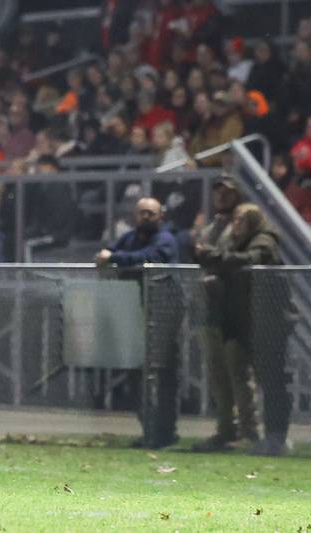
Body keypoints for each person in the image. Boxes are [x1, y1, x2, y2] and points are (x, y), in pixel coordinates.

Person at [196, 203, 295, 456]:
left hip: (265, 321)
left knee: (270, 380)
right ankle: (235, 431)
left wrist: (212, 256)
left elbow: (250, 261)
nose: (235, 224)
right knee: (233, 373)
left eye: (241, 219)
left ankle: (272, 438)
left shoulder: (263, 241)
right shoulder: (233, 245)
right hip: (239, 320)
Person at [95, 197, 180, 448]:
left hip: (162, 313)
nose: (145, 217)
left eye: (150, 213)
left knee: (163, 373)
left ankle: (166, 432)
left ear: (160, 216)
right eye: (141, 212)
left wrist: (115, 257)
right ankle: (149, 430)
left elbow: (149, 256)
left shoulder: (166, 239)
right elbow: (108, 252)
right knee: (135, 372)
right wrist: (109, 256)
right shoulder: (130, 238)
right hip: (134, 312)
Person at [191, 177, 257, 451]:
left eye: (227, 191)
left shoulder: (241, 227)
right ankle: (224, 428)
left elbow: (228, 258)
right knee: (217, 372)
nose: (221, 195)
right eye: (217, 190)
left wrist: (210, 255)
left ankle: (248, 431)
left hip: (233, 309)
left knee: (238, 372)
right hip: (210, 308)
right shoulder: (211, 228)